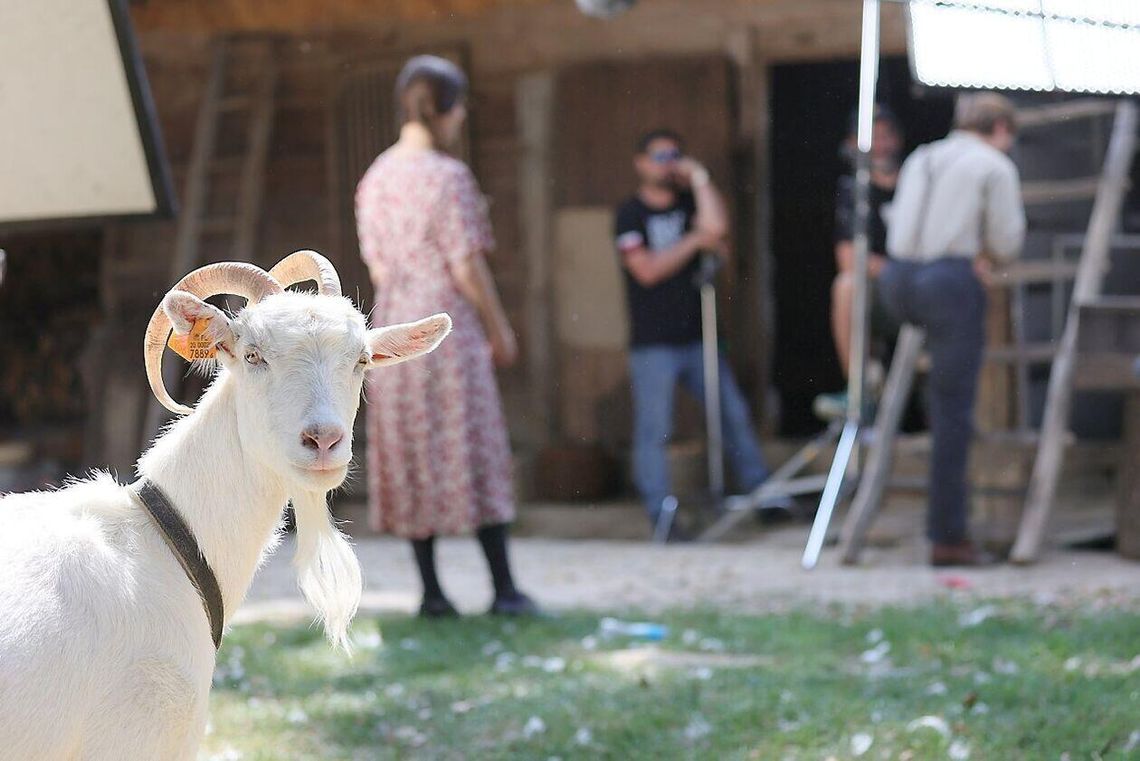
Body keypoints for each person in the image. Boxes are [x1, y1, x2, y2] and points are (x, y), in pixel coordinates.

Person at [355, 55, 536, 616]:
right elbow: (465, 265)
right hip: (446, 329)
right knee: (474, 445)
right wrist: (499, 327)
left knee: (411, 453)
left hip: (393, 332)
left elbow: (379, 268)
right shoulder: (448, 176)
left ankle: (432, 593)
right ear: (450, 110)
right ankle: (504, 589)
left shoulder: (375, 178)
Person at [880, 92, 1026, 567]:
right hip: (946, 281)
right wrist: (982, 256)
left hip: (897, 279)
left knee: (936, 395)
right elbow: (1007, 240)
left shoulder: (923, 155)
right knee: (953, 414)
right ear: (1001, 128)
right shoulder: (992, 165)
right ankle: (948, 537)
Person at [614, 129, 780, 536]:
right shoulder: (629, 213)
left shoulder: (690, 201)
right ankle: (662, 517)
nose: (666, 163)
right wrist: (692, 242)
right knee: (654, 430)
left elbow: (717, 230)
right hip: (653, 342)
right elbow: (647, 270)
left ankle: (764, 498)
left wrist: (701, 180)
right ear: (640, 162)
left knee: (733, 415)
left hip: (698, 336)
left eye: (673, 155)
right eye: (658, 156)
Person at [815, 105, 904, 421]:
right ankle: (860, 389)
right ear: (852, 145)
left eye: (885, 136)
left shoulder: (919, 180)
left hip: (923, 289)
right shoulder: (854, 190)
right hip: (889, 291)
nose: (880, 145)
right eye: (871, 138)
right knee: (847, 285)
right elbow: (849, 259)